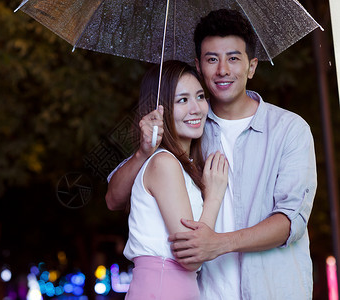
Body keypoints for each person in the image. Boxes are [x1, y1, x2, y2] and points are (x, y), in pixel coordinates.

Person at [106, 9, 317, 300]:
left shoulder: (289, 130)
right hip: (206, 292)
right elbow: (116, 197)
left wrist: (218, 243)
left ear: (251, 66)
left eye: (233, 58)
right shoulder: (189, 129)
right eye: (211, 59)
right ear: (199, 66)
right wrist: (142, 153)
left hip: (273, 290)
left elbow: (290, 221)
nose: (222, 70)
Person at [122, 60, 228, 300]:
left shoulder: (179, 165)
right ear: (159, 110)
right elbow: (191, 255)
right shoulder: (164, 163)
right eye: (182, 100)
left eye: (200, 96)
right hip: (163, 287)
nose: (197, 108)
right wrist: (214, 196)